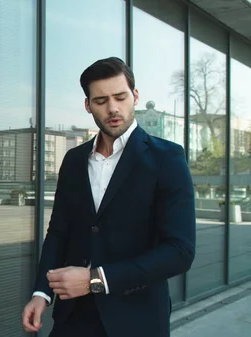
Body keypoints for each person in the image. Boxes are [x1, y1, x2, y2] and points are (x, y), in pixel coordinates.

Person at [21, 57, 196, 337]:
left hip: (136, 319)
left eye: (120, 97)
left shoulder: (168, 158)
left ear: (135, 96)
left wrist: (95, 280)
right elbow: (59, 233)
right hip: (73, 316)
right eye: (101, 101)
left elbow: (180, 252)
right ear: (88, 105)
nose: (113, 108)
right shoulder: (75, 160)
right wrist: (41, 292)